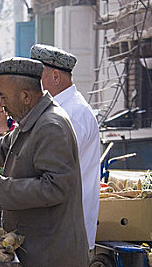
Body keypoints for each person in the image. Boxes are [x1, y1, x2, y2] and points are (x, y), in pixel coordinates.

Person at [0, 57, 89, 267]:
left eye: (3, 97)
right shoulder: (32, 120)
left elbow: (55, 187)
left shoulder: (51, 126)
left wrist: (0, 187)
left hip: (51, 256)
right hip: (37, 247)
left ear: (26, 96)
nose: (1, 104)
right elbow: (3, 148)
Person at [30, 45, 100, 251]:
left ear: (55, 76)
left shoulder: (74, 113)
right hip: (58, 225)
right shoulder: (57, 109)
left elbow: (52, 169)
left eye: (37, 77)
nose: (33, 84)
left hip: (68, 228)